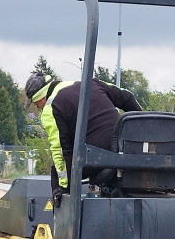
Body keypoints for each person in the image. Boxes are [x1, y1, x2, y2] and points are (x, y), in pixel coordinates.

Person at [25, 71, 141, 206]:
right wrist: (144, 126)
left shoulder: (50, 108)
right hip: (125, 149)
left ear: (41, 97)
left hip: (98, 158)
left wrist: (65, 187)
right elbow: (127, 97)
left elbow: (61, 151)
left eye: (35, 103)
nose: (38, 107)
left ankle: (61, 217)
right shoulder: (92, 84)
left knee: (56, 170)